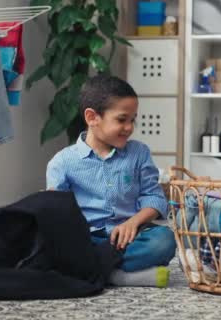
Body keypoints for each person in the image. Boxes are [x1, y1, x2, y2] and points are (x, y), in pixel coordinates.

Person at [46, 74, 176, 288]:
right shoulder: (62, 162)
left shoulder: (139, 153)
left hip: (130, 239)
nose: (129, 127)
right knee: (50, 245)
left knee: (164, 241)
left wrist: (132, 223)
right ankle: (116, 276)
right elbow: (56, 213)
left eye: (132, 120)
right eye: (121, 119)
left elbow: (154, 197)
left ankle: (95, 271)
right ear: (91, 117)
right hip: (86, 239)